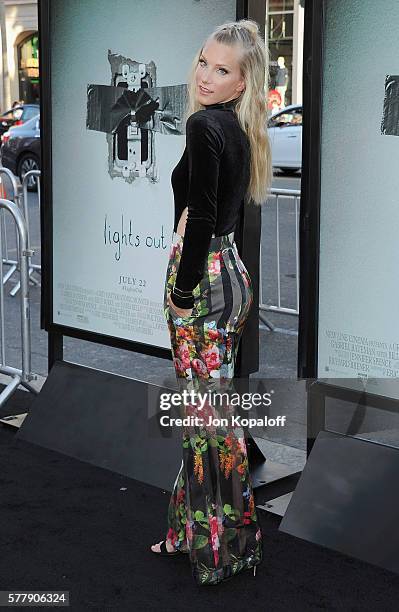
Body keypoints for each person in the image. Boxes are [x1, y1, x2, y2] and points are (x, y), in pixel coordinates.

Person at [151, 19, 273, 586]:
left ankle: (218, 549)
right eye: (203, 61)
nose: (204, 76)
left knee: (207, 423)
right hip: (231, 279)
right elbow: (220, 212)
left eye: (220, 69)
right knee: (212, 418)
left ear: (242, 81)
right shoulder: (241, 129)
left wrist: (180, 293)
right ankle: (197, 534)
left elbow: (201, 217)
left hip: (203, 283)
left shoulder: (205, 127)